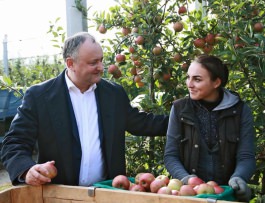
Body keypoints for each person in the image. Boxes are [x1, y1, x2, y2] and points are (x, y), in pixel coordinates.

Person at [1, 32, 168, 187]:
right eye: (93, 62)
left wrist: (182, 119)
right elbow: (14, 142)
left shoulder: (113, 94)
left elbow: (142, 123)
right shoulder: (40, 97)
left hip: (106, 192)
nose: (101, 67)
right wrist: (26, 170)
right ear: (70, 63)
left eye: (101, 60)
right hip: (61, 196)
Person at [164, 55, 256, 202]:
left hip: (226, 195)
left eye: (197, 79)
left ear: (216, 82)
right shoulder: (180, 109)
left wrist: (239, 177)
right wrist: (187, 179)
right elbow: (171, 155)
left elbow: (246, 156)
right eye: (188, 77)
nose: (189, 84)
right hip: (190, 196)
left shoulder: (240, 111)